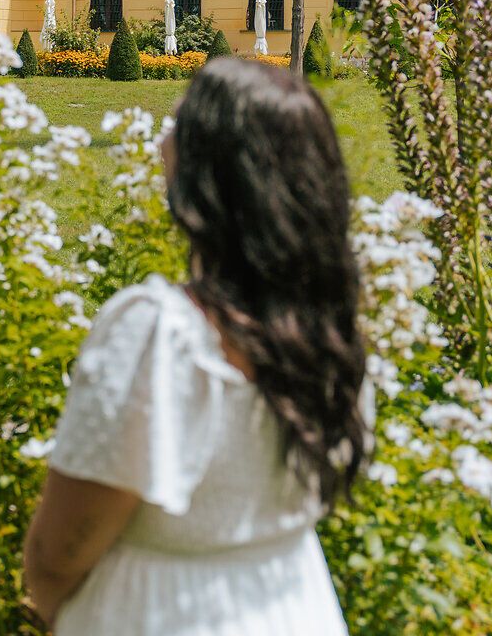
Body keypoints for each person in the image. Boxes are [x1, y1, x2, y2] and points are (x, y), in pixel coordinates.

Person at [22, 57, 368, 633]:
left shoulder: (161, 332)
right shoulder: (330, 327)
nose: (162, 140)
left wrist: (63, 610)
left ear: (212, 176)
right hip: (294, 603)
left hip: (162, 612)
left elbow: (58, 552)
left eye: (178, 126)